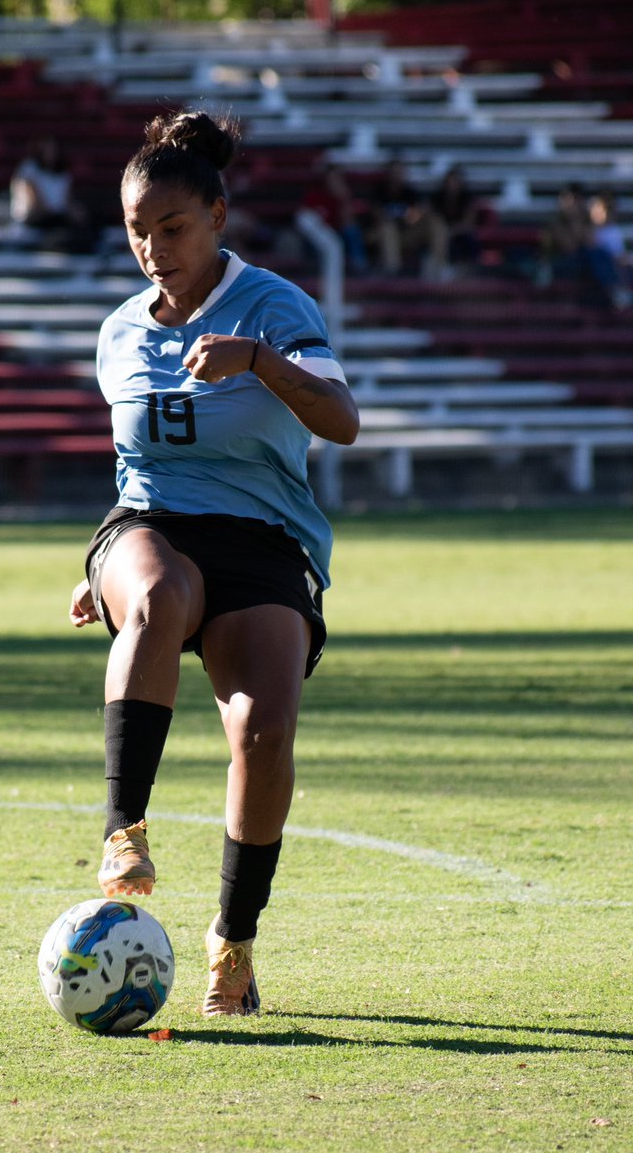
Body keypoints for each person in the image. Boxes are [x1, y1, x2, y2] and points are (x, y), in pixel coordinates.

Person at [68, 112, 359, 1017]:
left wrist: (261, 363)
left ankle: (232, 942)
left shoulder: (274, 306)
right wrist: (103, 566)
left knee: (265, 734)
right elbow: (133, 466)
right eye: (136, 231)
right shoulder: (120, 331)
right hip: (151, 526)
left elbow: (342, 420)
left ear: (219, 216)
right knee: (155, 594)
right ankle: (125, 833)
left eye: (173, 227)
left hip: (266, 540)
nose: (153, 248)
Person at [8, 136, 94, 252]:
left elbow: (67, 200)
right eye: (47, 150)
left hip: (56, 217)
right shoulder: (29, 169)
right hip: (35, 217)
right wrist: (58, 211)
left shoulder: (63, 173)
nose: (51, 153)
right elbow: (35, 203)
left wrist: (77, 213)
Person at [366, 156, 435, 276]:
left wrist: (408, 217)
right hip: (380, 234)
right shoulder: (379, 192)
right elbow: (377, 216)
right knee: (388, 229)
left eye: (399, 172)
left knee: (435, 224)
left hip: (406, 234)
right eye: (394, 172)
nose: (396, 176)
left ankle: (437, 269)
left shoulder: (410, 193)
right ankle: (393, 272)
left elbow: (418, 215)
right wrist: (406, 215)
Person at [297, 161, 369, 275]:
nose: (333, 181)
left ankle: (359, 267)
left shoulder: (343, 196)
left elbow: (347, 222)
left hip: (337, 233)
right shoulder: (315, 195)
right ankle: (312, 270)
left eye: (336, 178)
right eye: (331, 178)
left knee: (352, 231)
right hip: (318, 237)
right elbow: (303, 221)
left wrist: (343, 199)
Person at [428, 164, 481, 279]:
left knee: (469, 241)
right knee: (442, 241)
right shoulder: (438, 198)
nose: (452, 185)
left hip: (459, 234)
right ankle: (443, 271)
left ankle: (471, 273)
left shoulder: (466, 198)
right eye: (450, 182)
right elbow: (432, 219)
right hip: (441, 236)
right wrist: (443, 232)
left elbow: (468, 223)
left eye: (455, 182)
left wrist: (451, 231)